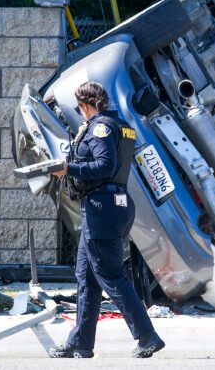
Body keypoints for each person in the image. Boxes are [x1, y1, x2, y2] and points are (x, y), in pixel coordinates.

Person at [48, 81, 165, 359]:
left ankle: (147, 336)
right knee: (86, 278)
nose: (80, 112)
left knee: (111, 275)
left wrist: (68, 168)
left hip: (103, 208)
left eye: (80, 107)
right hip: (113, 205)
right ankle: (81, 342)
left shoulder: (100, 127)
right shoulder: (122, 125)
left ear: (86, 105)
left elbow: (104, 165)